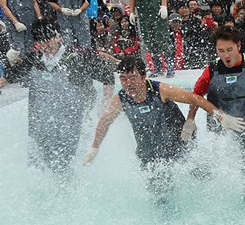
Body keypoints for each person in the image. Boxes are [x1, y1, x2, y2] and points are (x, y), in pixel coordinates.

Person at [87, 56, 229, 203]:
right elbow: (105, 121)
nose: (128, 83)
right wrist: (94, 147)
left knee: (195, 172)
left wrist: (221, 117)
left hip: (178, 140)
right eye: (123, 79)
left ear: (143, 77)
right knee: (158, 193)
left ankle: (214, 191)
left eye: (132, 78)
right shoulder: (120, 99)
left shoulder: (160, 90)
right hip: (149, 150)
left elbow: (195, 99)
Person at [0, 20, 114, 178]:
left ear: (59, 38)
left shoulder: (76, 57)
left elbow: (107, 75)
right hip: (48, 114)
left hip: (78, 111)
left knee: (73, 153)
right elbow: (12, 73)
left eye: (47, 39)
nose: (44, 45)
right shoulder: (35, 59)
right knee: (42, 153)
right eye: (40, 41)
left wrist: (105, 105)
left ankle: (78, 176)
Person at [188, 26, 245, 205]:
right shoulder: (212, 69)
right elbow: (196, 96)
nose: (226, 55)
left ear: (238, 46)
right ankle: (216, 191)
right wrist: (190, 119)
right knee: (219, 154)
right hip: (222, 118)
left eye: (229, 49)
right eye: (221, 51)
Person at [127, 0, 174, 77]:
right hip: (143, 14)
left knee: (162, 39)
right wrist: (131, 12)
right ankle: (157, 68)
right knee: (150, 41)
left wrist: (164, 6)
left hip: (157, 12)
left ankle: (170, 67)